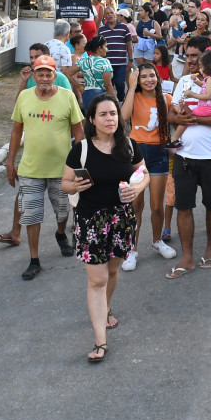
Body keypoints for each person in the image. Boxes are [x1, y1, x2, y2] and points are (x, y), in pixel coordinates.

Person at [61, 93, 146, 363]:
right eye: (103, 114)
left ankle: (107, 308)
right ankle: (100, 340)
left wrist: (137, 189)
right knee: (97, 280)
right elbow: (65, 183)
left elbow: (143, 173)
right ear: (92, 120)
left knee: (112, 272)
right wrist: (75, 185)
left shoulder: (129, 146)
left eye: (113, 113)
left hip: (121, 219)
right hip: (90, 221)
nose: (110, 119)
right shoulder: (81, 150)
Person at [7, 54, 85, 280]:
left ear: (54, 75)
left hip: (61, 169)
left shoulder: (67, 96)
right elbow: (16, 131)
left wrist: (79, 164)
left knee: (62, 211)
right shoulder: (24, 97)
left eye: (48, 74)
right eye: (39, 74)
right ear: (33, 75)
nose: (44, 78)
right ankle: (34, 260)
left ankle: (60, 234)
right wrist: (10, 162)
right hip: (30, 169)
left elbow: (79, 132)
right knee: (32, 215)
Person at [166, 36, 211, 278]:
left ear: (207, 56)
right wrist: (179, 116)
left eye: (194, 56)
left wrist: (193, 118)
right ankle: (187, 257)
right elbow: (172, 115)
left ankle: (210, 248)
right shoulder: (185, 81)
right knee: (183, 207)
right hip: (184, 156)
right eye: (187, 56)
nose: (190, 61)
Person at [121, 63, 178, 264]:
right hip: (136, 154)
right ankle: (132, 249)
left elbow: (178, 120)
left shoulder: (166, 98)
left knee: (156, 206)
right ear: (137, 80)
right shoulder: (134, 96)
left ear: (157, 78)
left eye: (152, 75)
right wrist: (131, 86)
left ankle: (157, 241)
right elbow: (124, 116)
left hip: (159, 153)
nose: (148, 80)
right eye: (143, 77)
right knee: (136, 205)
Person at [167, 49, 211, 163]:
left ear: (209, 66)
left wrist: (192, 94)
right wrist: (197, 81)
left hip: (208, 108)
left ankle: (175, 140)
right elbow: (205, 86)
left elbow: (207, 95)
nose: (200, 69)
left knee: (188, 117)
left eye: (202, 67)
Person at [98, 8, 133, 100]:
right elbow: (99, 47)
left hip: (121, 63)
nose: (110, 15)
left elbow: (129, 44)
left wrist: (130, 60)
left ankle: (121, 101)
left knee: (120, 83)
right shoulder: (101, 29)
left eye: (111, 13)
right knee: (108, 85)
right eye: (107, 13)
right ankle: (111, 102)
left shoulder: (124, 27)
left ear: (115, 14)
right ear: (104, 16)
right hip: (106, 64)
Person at [77, 36, 114, 112]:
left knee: (89, 118)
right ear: (100, 48)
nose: (107, 50)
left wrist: (79, 86)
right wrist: (114, 100)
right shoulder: (105, 62)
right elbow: (108, 85)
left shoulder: (83, 60)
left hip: (86, 95)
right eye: (105, 46)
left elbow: (68, 73)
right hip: (100, 96)